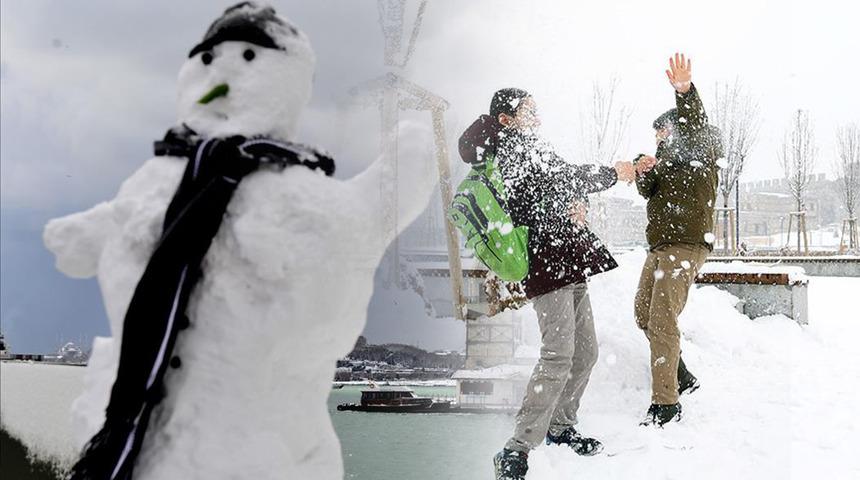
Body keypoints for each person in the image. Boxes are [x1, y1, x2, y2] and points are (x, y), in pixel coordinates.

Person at [460, 88, 645, 480]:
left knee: (586, 350)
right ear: (508, 119)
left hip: (568, 256)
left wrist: (581, 203)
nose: (538, 118)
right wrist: (614, 173)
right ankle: (516, 447)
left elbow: (563, 185)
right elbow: (561, 179)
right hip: (545, 261)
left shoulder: (531, 145)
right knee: (559, 352)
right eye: (530, 111)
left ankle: (561, 425)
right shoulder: (510, 150)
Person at [633, 53, 723, 427]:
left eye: (664, 131)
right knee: (643, 314)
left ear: (679, 128)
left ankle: (666, 404)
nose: (660, 138)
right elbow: (647, 191)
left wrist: (684, 91)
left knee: (662, 321)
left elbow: (695, 122)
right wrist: (642, 168)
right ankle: (681, 374)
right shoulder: (665, 162)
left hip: (685, 245)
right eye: (656, 135)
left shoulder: (701, 147)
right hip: (660, 247)